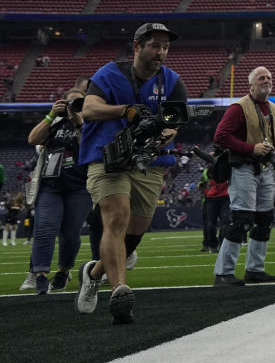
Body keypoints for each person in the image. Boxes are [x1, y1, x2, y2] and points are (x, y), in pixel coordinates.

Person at [76, 23, 187, 324]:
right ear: (137, 47)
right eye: (154, 45)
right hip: (107, 156)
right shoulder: (109, 73)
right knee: (116, 217)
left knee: (134, 235)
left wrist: (154, 142)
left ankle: (94, 272)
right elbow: (89, 109)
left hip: (148, 161)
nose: (161, 52)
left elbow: (173, 124)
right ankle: (119, 292)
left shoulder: (173, 82)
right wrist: (124, 111)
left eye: (165, 46)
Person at [212, 66, 275, 286]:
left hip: (266, 169)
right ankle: (223, 272)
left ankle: (255, 269)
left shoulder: (273, 108)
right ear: (250, 85)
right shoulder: (238, 107)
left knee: (264, 220)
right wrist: (249, 148)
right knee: (242, 219)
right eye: (261, 78)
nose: (266, 80)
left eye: (269, 77)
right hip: (243, 167)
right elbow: (220, 136)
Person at [23, 88, 91, 294]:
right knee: (44, 228)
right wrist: (51, 114)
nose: (71, 107)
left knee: (70, 234)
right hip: (50, 185)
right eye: (67, 103)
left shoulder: (90, 125)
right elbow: (33, 139)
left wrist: (78, 119)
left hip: (79, 187)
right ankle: (41, 275)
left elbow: (91, 143)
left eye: (76, 103)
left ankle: (63, 270)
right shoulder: (54, 124)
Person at [200, 149, 230, 253]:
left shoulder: (227, 166)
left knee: (225, 222)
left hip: (224, 197)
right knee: (211, 224)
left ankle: (222, 244)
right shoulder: (209, 171)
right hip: (211, 198)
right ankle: (212, 245)